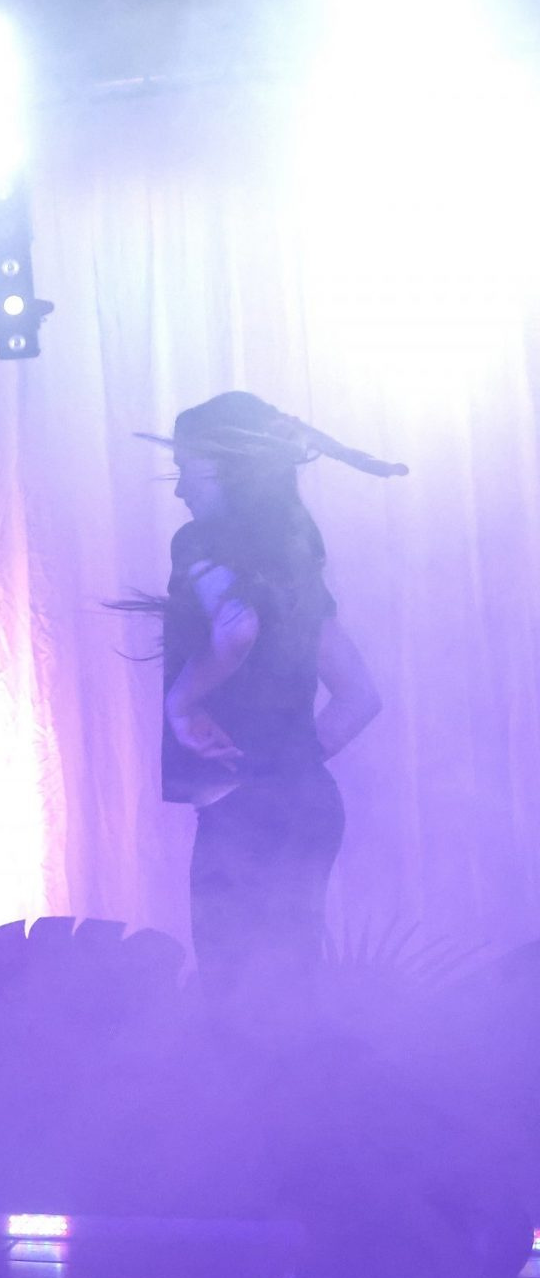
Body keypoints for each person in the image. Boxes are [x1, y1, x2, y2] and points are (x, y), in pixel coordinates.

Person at [139, 391, 393, 1000]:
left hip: (242, 820)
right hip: (308, 807)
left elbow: (237, 628)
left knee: (237, 1005)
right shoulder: (295, 567)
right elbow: (359, 697)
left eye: (188, 470)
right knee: (288, 996)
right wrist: (285, 768)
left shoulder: (197, 542)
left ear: (228, 469)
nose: (180, 491)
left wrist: (181, 703)